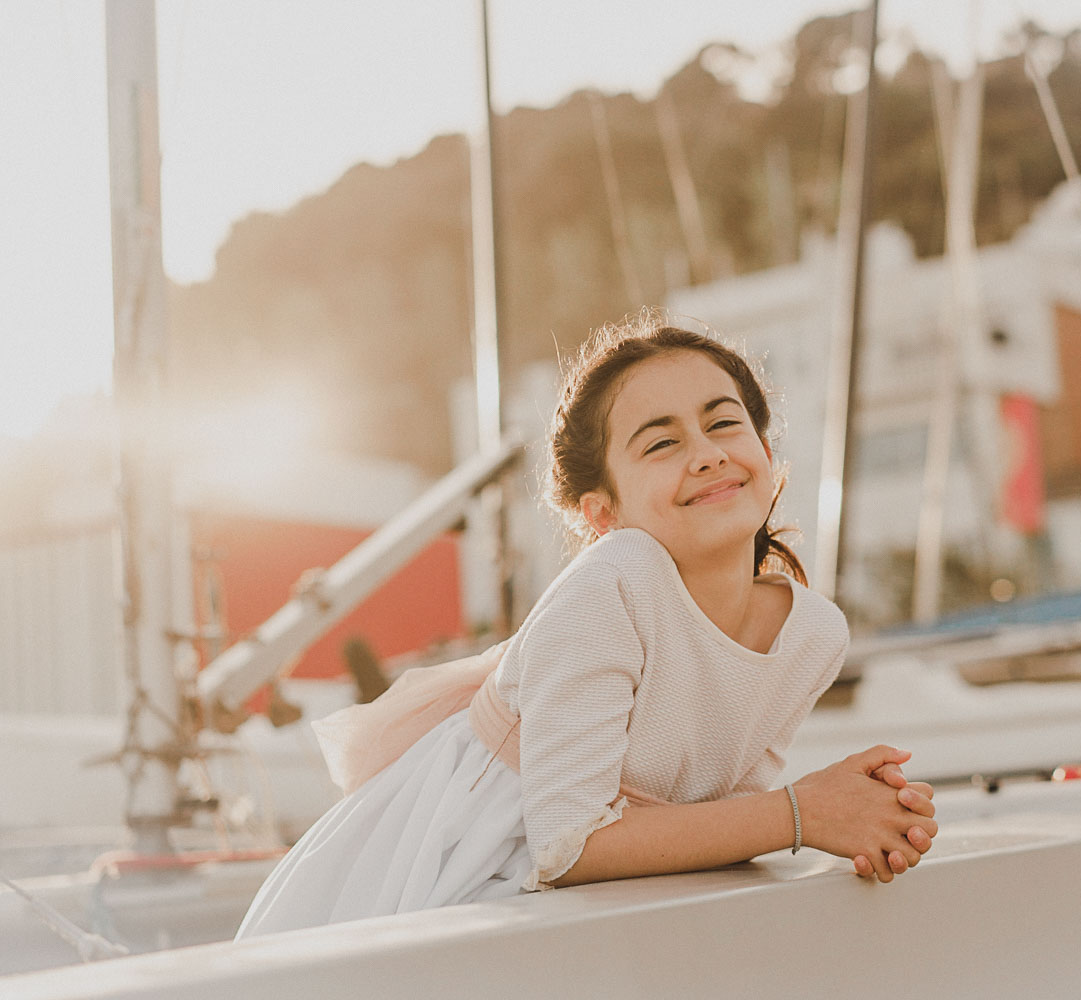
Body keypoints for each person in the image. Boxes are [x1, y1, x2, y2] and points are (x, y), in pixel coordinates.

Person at [236, 315, 938, 938]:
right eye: (660, 444)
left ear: (766, 452)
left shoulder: (814, 633)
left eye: (724, 423)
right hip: (456, 873)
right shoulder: (616, 579)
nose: (706, 452)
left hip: (602, 904)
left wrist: (863, 812)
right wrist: (806, 813)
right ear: (602, 515)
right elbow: (568, 843)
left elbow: (724, 813)